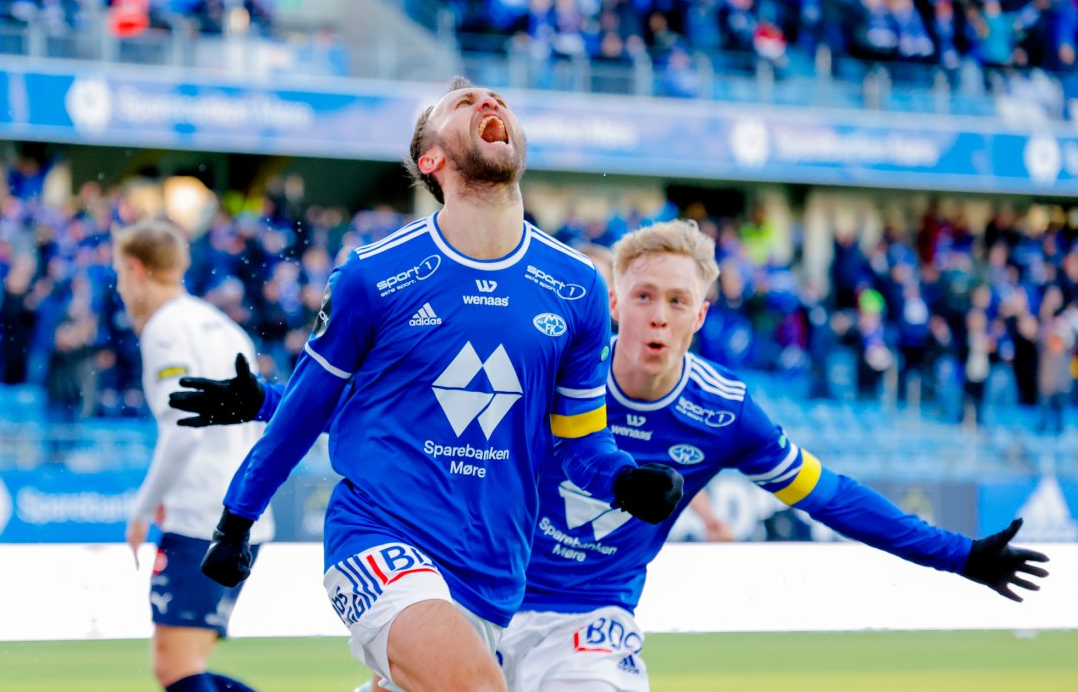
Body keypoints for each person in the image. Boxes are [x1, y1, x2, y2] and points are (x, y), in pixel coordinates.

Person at [174, 219, 1050, 692]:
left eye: (679, 299)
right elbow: (409, 442)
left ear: (702, 313)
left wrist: (960, 555)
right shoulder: (540, 367)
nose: (660, 314)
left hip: (586, 622)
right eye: (643, 295)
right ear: (611, 302)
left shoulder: (725, 412)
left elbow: (834, 496)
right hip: (469, 595)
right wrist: (270, 403)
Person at [191, 76, 683, 692]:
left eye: (497, 97)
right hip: (378, 537)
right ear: (433, 161)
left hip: (493, 572)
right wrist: (236, 519)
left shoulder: (578, 288)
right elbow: (308, 412)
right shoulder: (373, 276)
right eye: (462, 102)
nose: (489, 101)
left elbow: (581, 446)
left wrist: (624, 479)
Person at [114, 218, 273, 692]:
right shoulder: (219, 325)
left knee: (176, 669)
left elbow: (183, 433)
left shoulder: (165, 330)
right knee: (185, 665)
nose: (121, 289)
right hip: (237, 513)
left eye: (120, 275)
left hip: (201, 518)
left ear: (136, 270)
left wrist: (141, 510)